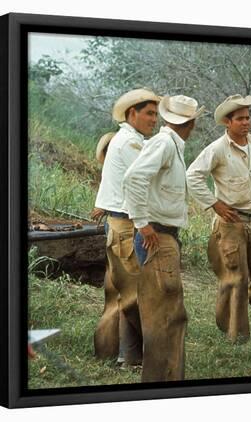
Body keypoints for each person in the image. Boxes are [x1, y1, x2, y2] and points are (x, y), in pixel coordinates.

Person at [122, 94, 205, 382]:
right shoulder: (164, 143)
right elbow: (134, 177)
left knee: (165, 311)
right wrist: (143, 223)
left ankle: (164, 379)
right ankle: (163, 382)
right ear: (191, 123)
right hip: (158, 234)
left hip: (162, 233)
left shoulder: (170, 144)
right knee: (167, 314)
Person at [186, 94, 251, 342]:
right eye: (240, 119)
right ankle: (236, 334)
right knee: (236, 279)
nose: (246, 123)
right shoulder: (217, 149)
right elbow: (192, 176)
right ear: (228, 122)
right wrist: (215, 204)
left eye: (248, 118)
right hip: (230, 223)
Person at [92, 88, 160, 366]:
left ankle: (125, 355)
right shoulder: (130, 143)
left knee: (124, 292)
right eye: (149, 113)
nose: (154, 119)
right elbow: (143, 181)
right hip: (126, 225)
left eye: (156, 114)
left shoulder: (128, 140)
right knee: (132, 294)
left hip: (121, 223)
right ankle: (133, 355)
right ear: (132, 113)